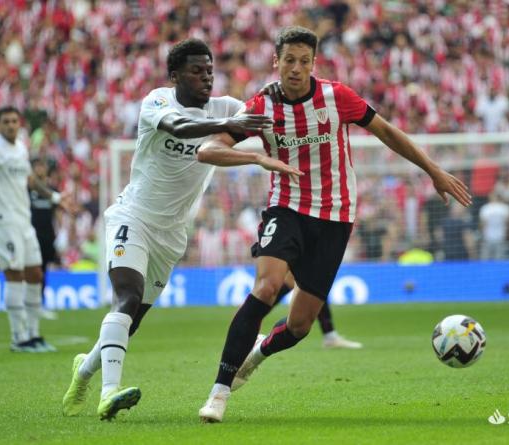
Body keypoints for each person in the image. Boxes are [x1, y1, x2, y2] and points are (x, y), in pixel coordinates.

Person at [196, 26, 471, 423]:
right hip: (286, 207)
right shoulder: (260, 107)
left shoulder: (336, 97)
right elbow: (209, 150)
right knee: (267, 286)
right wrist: (256, 158)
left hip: (335, 216)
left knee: (300, 325)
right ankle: (218, 393)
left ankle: (257, 354)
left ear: (313, 64)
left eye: (303, 61)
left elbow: (387, 132)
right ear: (277, 61)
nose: (295, 69)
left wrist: (433, 170)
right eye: (289, 60)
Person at [61, 38, 297, 421]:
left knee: (132, 320)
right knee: (126, 297)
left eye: (209, 70)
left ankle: (83, 372)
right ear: (174, 76)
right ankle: (110, 393)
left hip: (171, 234)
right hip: (132, 217)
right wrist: (228, 124)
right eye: (196, 70)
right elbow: (179, 126)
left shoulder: (226, 107)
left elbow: (263, 115)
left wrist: (276, 96)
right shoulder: (158, 102)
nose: (206, 77)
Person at [0, 106, 67, 353]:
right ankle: (18, 338)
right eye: (6, 121)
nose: (11, 125)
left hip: (23, 221)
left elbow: (31, 181)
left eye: (14, 121)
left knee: (35, 274)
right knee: (15, 275)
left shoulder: (21, 148)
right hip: (2, 221)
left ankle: (33, 335)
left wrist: (55, 198)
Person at [29, 157, 60, 320]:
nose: (40, 169)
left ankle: (39, 304)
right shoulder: (27, 190)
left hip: (47, 236)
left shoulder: (51, 190)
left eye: (42, 165)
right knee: (31, 271)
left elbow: (56, 213)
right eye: (37, 166)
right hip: (31, 236)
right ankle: (29, 304)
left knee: (43, 271)